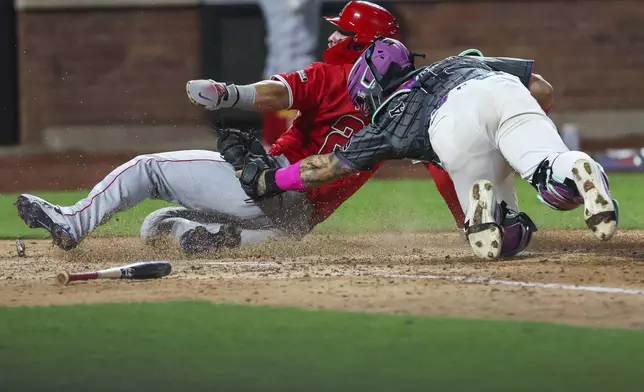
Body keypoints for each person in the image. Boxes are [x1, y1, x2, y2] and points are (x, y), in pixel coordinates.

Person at [16, 1, 462, 254]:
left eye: (341, 32)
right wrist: (465, 220)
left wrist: (227, 93)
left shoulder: (332, 75)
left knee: (148, 168)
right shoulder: (402, 104)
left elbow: (274, 93)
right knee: (157, 225)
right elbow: (440, 164)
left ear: (362, 44)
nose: (331, 37)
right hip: (298, 219)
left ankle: (72, 222)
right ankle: (219, 239)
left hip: (271, 189)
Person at [231, 37, 619, 260]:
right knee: (551, 176)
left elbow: (329, 167)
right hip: (504, 91)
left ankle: (484, 204)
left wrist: (270, 180)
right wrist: (518, 134)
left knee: (501, 241)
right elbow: (543, 90)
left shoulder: (388, 118)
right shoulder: (454, 62)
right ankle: (573, 166)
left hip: (449, 123)